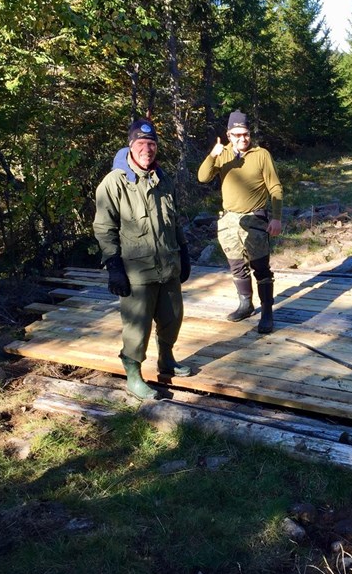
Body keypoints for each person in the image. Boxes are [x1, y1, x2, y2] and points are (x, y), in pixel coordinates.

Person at [93, 117, 192, 400]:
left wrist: (184, 253)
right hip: (136, 271)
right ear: (130, 146)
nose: (147, 149)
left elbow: (174, 223)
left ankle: (167, 360)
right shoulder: (114, 183)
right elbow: (104, 227)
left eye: (151, 144)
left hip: (168, 266)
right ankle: (134, 376)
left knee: (172, 318)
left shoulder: (163, 179)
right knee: (137, 328)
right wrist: (113, 266)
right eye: (141, 143)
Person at [197, 110, 283, 334]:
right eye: (237, 134)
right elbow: (203, 177)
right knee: (237, 266)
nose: (242, 138)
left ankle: (267, 312)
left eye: (245, 134)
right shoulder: (222, 154)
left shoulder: (261, 154)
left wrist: (276, 217)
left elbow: (275, 187)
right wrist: (212, 155)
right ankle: (245, 304)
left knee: (261, 267)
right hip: (228, 220)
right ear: (228, 134)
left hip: (254, 218)